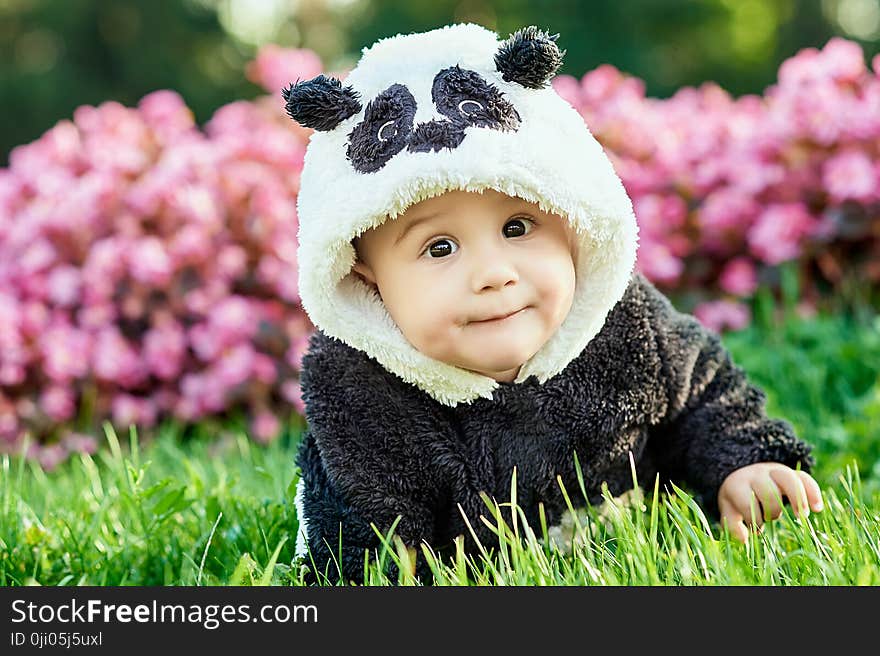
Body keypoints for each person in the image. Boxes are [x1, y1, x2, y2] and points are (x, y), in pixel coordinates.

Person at [283, 23, 823, 584]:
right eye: (438, 247)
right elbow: (364, 551)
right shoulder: (362, 393)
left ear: (571, 219)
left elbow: (704, 393)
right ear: (363, 276)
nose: (494, 274)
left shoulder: (623, 324)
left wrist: (745, 460)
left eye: (519, 227)